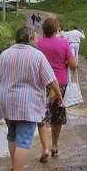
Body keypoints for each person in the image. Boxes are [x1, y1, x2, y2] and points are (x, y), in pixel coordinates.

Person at [0, 25, 61, 171]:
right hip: (27, 104)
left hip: (6, 102)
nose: (38, 41)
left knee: (13, 135)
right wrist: (58, 94)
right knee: (24, 139)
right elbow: (50, 79)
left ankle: (14, 166)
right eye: (36, 38)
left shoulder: (6, 54)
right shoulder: (37, 55)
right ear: (30, 39)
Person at [35, 16, 78, 162]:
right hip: (59, 83)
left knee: (42, 114)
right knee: (57, 114)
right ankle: (54, 145)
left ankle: (44, 148)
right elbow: (73, 65)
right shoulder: (63, 43)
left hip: (41, 83)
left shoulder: (38, 43)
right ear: (56, 29)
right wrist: (67, 62)